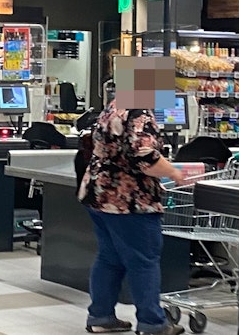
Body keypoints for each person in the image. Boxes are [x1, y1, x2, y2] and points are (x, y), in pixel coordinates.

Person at [78, 101, 186, 335]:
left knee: (109, 258)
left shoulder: (115, 106)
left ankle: (101, 316)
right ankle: (152, 323)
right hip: (129, 200)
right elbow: (144, 156)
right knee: (144, 261)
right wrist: (174, 172)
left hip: (100, 194)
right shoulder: (140, 112)